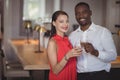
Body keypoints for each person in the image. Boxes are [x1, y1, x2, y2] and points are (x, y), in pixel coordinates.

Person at [69, 2, 117, 80]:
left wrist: (95, 52)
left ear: (90, 13)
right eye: (77, 13)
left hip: (100, 75)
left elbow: (113, 56)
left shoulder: (103, 32)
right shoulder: (72, 36)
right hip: (79, 76)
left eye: (84, 12)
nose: (81, 16)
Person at [47, 10, 82, 80]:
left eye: (67, 21)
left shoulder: (68, 39)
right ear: (54, 23)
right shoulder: (52, 43)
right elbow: (55, 71)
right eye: (61, 21)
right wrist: (67, 56)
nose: (65, 24)